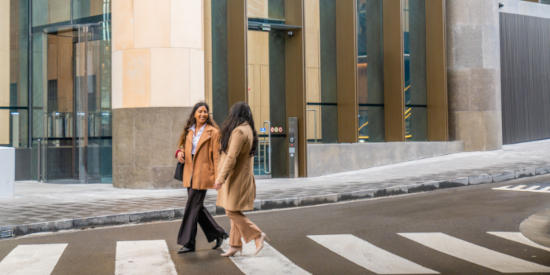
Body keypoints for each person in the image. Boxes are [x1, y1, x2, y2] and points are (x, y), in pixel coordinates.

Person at [214, 102, 268, 257]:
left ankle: (257, 235)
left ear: (234, 115)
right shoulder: (249, 130)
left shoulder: (238, 132)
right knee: (233, 209)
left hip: (236, 179)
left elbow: (231, 157)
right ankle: (235, 245)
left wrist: (220, 178)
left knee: (231, 210)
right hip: (242, 178)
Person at [175, 102, 228, 254]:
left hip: (203, 174)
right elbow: (180, 146)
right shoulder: (188, 131)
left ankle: (188, 243)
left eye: (205, 112)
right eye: (200, 111)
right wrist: (179, 153)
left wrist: (219, 177)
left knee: (191, 208)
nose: (203, 114)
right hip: (189, 173)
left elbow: (217, 156)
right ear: (194, 114)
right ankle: (218, 233)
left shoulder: (214, 132)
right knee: (196, 208)